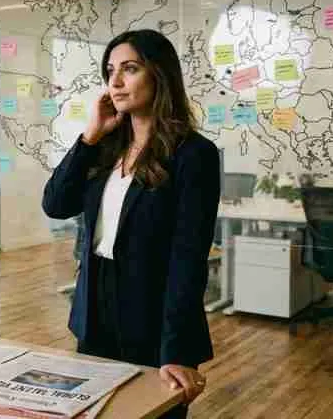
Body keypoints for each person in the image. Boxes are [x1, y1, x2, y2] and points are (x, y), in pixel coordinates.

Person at [41, 29, 220, 419]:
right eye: (110, 71)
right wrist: (89, 137)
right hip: (95, 310)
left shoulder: (194, 155)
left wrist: (176, 351)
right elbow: (55, 205)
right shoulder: (105, 147)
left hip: (152, 315)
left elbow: (187, 258)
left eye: (130, 69)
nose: (116, 82)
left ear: (159, 75)